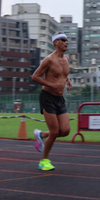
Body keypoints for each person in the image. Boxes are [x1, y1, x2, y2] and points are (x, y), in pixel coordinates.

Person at [31, 32, 72, 171]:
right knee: (55, 131)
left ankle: (41, 135)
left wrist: (68, 80)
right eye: (63, 40)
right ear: (55, 42)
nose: (66, 42)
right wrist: (52, 85)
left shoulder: (66, 59)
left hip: (60, 99)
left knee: (65, 130)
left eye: (67, 40)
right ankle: (44, 160)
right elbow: (35, 76)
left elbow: (63, 74)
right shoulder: (49, 60)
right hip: (47, 97)